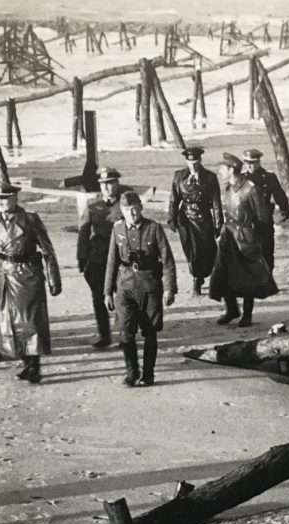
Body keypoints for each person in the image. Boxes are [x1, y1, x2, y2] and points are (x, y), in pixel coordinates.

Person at [0, 182, 62, 384]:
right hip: (4, 273)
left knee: (30, 323)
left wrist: (54, 279)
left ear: (15, 198)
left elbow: (48, 251)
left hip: (27, 274)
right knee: (10, 322)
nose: (2, 203)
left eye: (6, 198)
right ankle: (26, 363)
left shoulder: (30, 220)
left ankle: (34, 367)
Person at [104, 190, 176, 387]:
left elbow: (167, 260)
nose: (132, 214)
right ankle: (131, 372)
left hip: (150, 286)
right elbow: (112, 261)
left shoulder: (154, 228)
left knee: (150, 331)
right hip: (125, 286)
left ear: (141, 208)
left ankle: (148, 374)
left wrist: (170, 288)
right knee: (126, 331)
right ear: (122, 211)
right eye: (127, 210)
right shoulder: (117, 229)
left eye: (135, 209)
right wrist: (107, 292)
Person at [209, 153, 278, 327]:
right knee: (222, 273)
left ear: (231, 170)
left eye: (222, 168)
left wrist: (260, 242)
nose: (219, 171)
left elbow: (263, 218)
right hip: (228, 237)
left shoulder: (250, 189)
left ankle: (247, 314)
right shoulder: (228, 188)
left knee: (248, 276)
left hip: (245, 238)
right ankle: (231, 309)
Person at [77, 167, 132, 349]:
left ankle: (126, 335)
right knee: (98, 298)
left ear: (117, 184)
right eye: (104, 185)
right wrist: (82, 258)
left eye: (111, 183)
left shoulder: (125, 205)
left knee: (123, 298)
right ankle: (104, 335)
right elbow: (83, 232)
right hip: (98, 258)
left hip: (121, 256)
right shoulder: (93, 206)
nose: (108, 188)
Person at [167, 146, 221, 295]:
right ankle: (196, 279)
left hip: (204, 219)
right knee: (191, 251)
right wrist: (171, 218)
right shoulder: (179, 176)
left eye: (196, 163)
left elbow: (216, 203)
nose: (194, 166)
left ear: (200, 161)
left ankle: (204, 275)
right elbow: (173, 199)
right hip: (186, 220)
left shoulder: (210, 177)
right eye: (191, 164)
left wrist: (218, 223)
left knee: (208, 250)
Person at [241, 148, 289, 271]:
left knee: (267, 249)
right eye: (248, 163)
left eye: (254, 163)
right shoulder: (241, 179)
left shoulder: (268, 177)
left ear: (259, 162)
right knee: (249, 251)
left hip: (264, 218)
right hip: (247, 220)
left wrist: (284, 210)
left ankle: (268, 276)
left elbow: (279, 194)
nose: (251, 166)